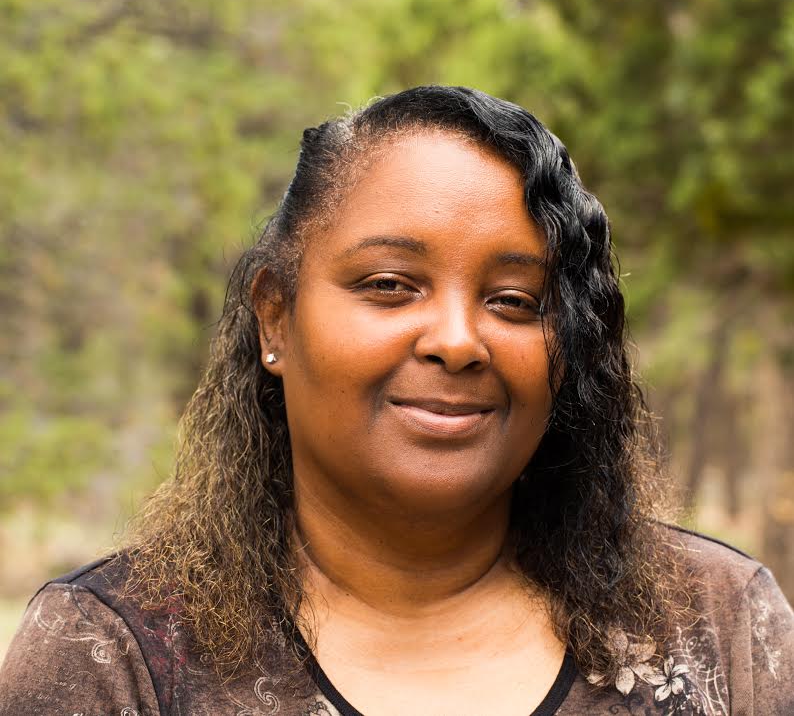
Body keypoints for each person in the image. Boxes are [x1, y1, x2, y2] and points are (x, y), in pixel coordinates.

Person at [1, 86, 792, 716]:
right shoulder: (117, 653)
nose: (458, 340)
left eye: (516, 301)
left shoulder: (717, 626)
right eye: (389, 286)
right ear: (275, 314)